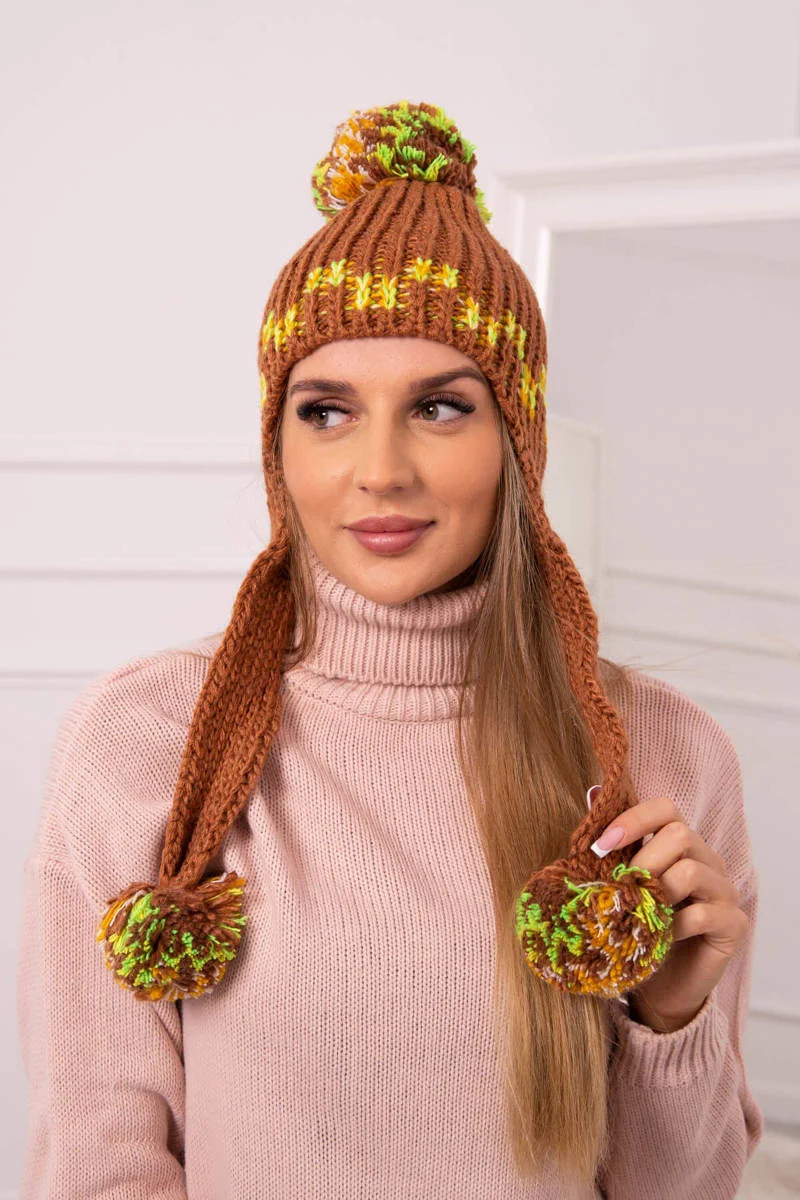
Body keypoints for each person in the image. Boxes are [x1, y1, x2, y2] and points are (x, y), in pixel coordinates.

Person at [16, 99, 763, 1199]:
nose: (378, 470)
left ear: (516, 441)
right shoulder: (141, 739)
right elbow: (98, 1164)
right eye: (325, 411)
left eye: (439, 408)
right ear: (276, 445)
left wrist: (671, 1015)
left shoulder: (667, 758)